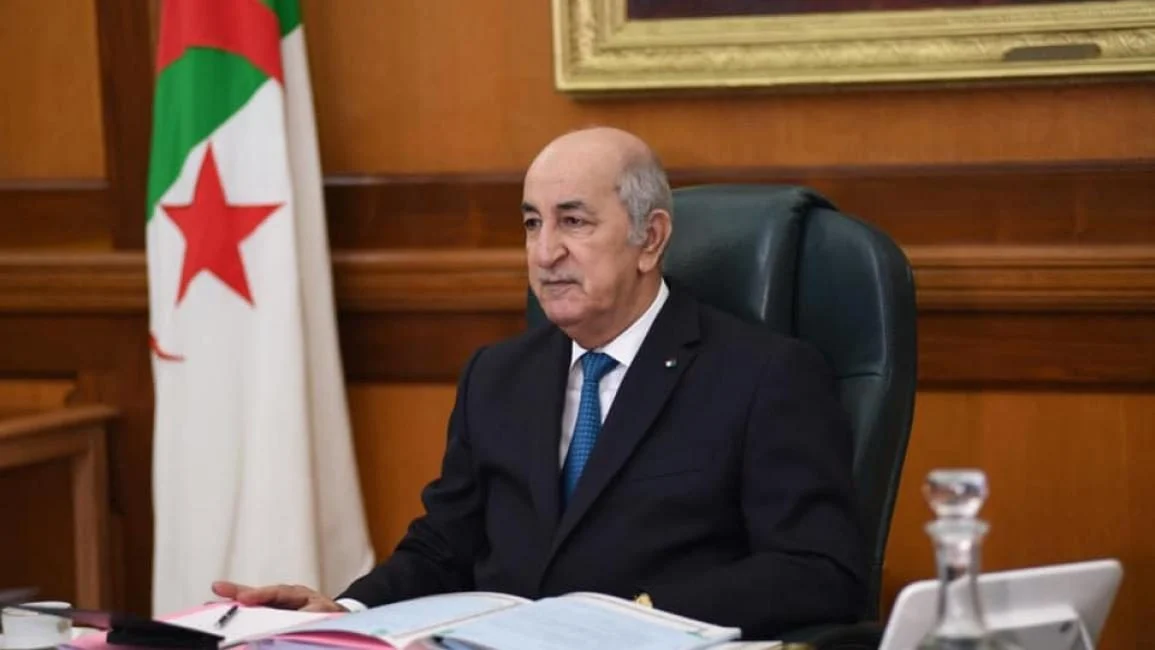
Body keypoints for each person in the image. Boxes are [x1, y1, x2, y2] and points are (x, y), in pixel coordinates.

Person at [212, 127, 867, 638]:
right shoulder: (497, 375)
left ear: (650, 239)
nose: (545, 252)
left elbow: (817, 572)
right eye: (532, 223)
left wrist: (630, 618)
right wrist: (345, 610)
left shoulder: (762, 375)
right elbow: (444, 547)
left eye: (573, 222)